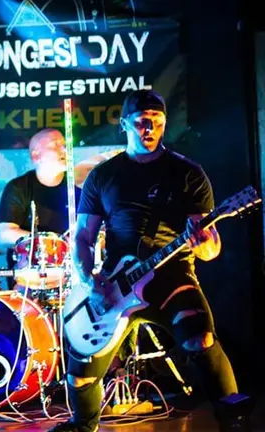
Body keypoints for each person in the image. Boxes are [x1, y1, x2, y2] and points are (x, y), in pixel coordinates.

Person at [49, 89, 242, 432]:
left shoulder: (188, 174)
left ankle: (233, 419)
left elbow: (211, 251)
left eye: (157, 122)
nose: (149, 129)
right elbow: (82, 237)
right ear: (124, 124)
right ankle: (82, 425)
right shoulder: (102, 176)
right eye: (141, 122)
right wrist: (88, 279)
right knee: (79, 375)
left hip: (172, 277)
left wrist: (201, 244)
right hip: (115, 284)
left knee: (201, 339)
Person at [0, 128, 81, 288]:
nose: (64, 149)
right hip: (28, 277)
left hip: (69, 277)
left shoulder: (78, 190)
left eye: (65, 144)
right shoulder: (19, 188)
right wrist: (52, 245)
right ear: (36, 156)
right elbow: (5, 234)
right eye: (55, 145)